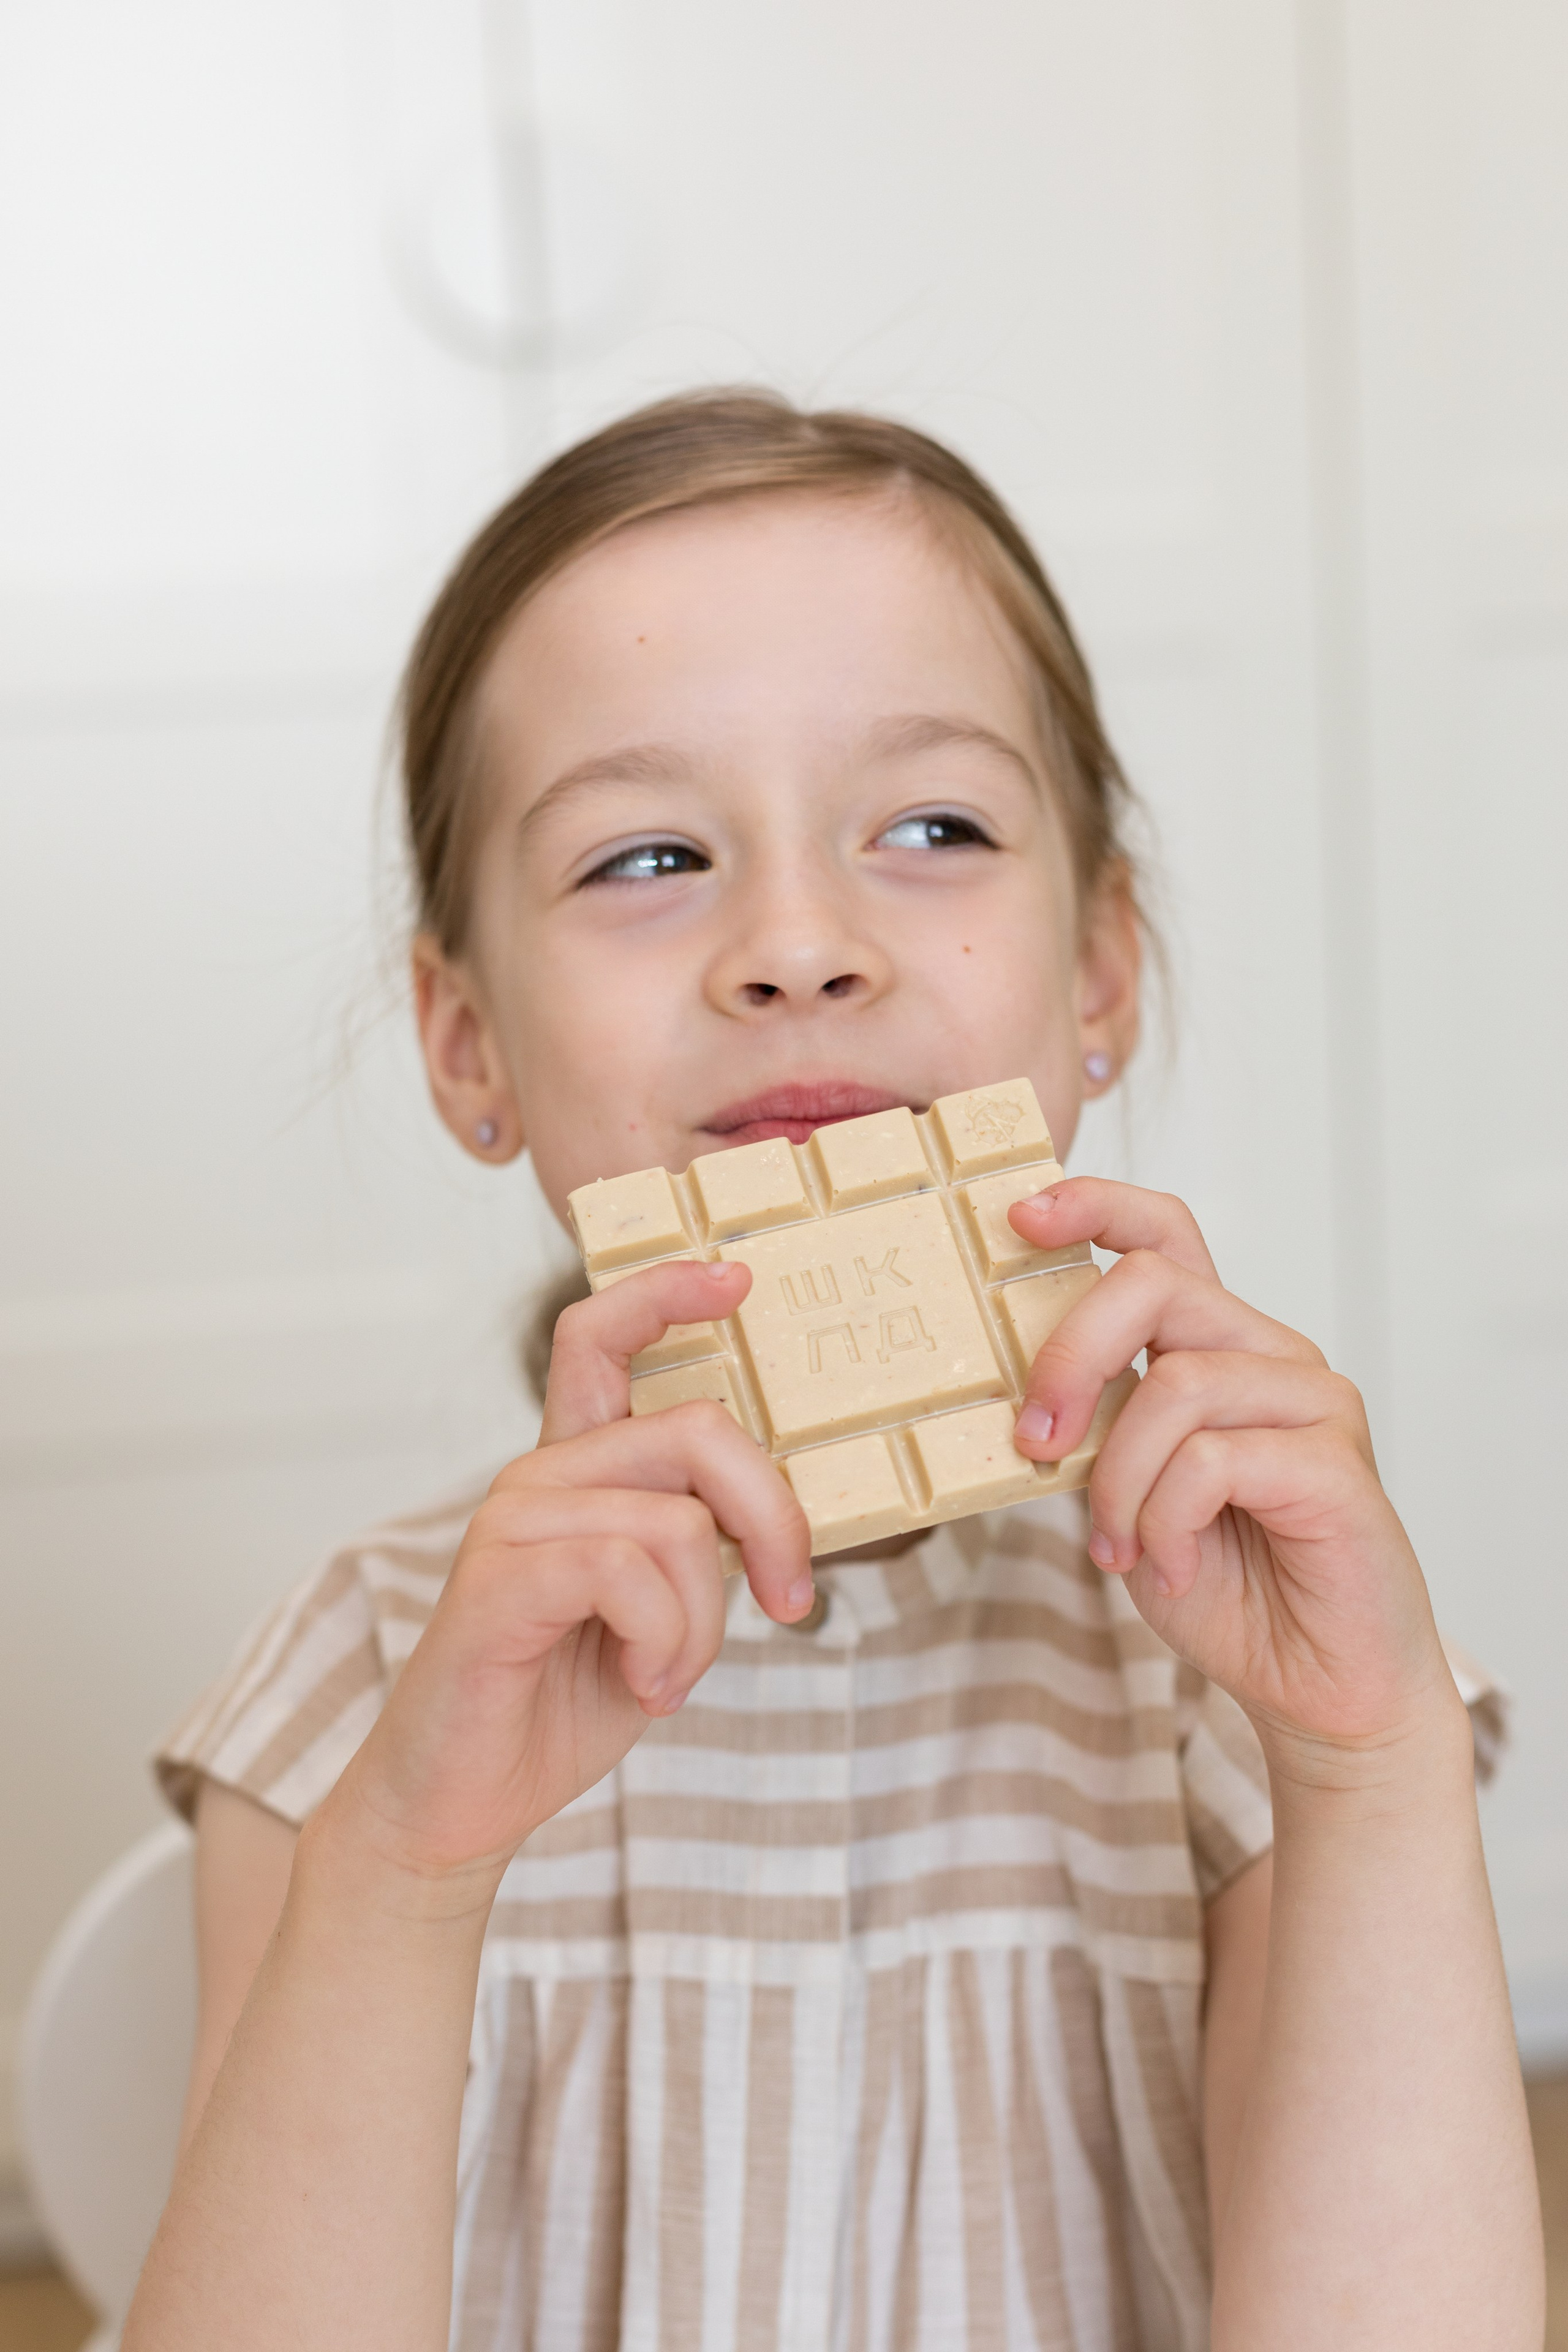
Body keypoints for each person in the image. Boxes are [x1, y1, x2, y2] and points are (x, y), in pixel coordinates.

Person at [123, 391, 1542, 2352]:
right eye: (645, 855)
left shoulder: (1244, 1684)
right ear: (469, 1045)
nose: (799, 944)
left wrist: (1369, 1771)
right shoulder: (361, 1686)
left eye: (933, 827)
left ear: (1100, 970)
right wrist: (405, 1867)